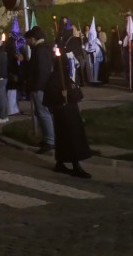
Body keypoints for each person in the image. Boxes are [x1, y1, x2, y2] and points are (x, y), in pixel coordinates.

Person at [44, 46, 92, 178]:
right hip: (63, 114)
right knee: (69, 139)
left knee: (70, 139)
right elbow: (49, 98)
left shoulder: (66, 79)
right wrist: (60, 98)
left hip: (71, 112)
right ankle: (75, 166)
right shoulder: (53, 79)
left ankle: (60, 163)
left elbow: (77, 94)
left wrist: (70, 94)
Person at [25, 28, 56, 154]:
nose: (27, 43)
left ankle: (50, 141)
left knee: (43, 113)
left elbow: (42, 71)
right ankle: (49, 138)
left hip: (40, 88)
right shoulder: (43, 49)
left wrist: (37, 87)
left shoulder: (40, 50)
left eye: (28, 40)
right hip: (42, 87)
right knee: (43, 113)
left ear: (33, 39)